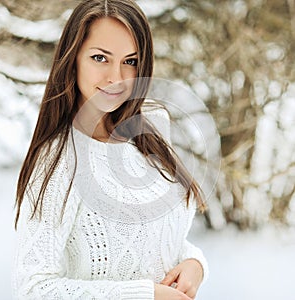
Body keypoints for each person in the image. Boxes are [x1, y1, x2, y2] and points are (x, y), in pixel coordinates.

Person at [13, 0, 209, 299]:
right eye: (100, 58)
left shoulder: (152, 127)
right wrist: (145, 295)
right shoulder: (60, 159)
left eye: (130, 61)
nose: (116, 78)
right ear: (72, 58)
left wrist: (195, 262)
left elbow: (155, 237)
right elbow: (35, 288)